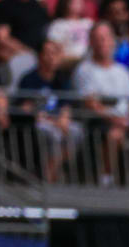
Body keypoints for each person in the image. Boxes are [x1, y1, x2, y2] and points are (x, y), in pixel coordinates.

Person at [75, 20, 129, 185]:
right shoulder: (84, 70)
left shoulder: (123, 72)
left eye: (105, 38)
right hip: (98, 123)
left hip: (126, 121)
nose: (102, 42)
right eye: (97, 38)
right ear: (91, 42)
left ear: (113, 41)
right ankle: (106, 178)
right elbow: (91, 103)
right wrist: (115, 120)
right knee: (115, 134)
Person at [17, 38, 84, 182]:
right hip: (39, 123)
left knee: (76, 131)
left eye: (55, 53)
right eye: (47, 53)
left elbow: (66, 106)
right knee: (54, 135)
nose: (51, 57)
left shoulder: (63, 79)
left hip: (57, 121)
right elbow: (27, 108)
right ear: (40, 56)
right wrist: (54, 121)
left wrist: (63, 119)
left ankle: (56, 171)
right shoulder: (29, 79)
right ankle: (49, 180)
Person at [46, 0, 96, 64]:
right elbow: (52, 46)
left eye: (80, 2)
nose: (78, 4)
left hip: (89, 62)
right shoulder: (58, 24)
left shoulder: (89, 23)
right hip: (67, 62)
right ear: (66, 3)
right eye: (74, 2)